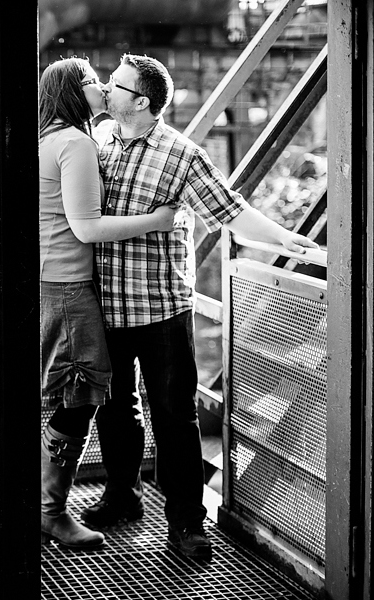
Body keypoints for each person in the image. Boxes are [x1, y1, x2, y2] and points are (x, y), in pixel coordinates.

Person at [80, 53, 318, 559]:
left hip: (162, 309)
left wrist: (284, 239)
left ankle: (187, 522)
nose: (106, 88)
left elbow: (230, 211)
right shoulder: (99, 140)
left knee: (175, 417)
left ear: (140, 102)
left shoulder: (182, 155)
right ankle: (122, 496)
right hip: (107, 306)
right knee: (114, 410)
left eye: (116, 85)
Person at [38, 57, 176, 549]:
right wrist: (158, 221)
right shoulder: (75, 143)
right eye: (93, 81)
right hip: (70, 288)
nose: (102, 87)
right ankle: (51, 512)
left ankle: (50, 506)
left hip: (52, 282)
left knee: (72, 397)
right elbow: (87, 228)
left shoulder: (51, 138)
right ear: (76, 92)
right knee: (78, 399)